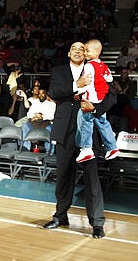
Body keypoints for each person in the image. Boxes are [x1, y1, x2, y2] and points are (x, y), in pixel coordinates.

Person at [43, 42, 116, 239]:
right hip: (65, 130)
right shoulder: (59, 71)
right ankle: (60, 216)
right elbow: (55, 93)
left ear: (86, 53)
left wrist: (95, 108)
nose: (77, 50)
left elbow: (112, 96)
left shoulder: (95, 67)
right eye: (73, 48)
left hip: (88, 131)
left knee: (92, 178)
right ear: (68, 53)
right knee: (64, 175)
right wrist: (78, 85)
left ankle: (97, 223)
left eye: (81, 48)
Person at [75, 39, 119, 163]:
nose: (85, 53)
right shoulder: (103, 65)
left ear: (97, 52)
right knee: (103, 123)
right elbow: (109, 78)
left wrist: (79, 92)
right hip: (100, 99)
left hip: (91, 99)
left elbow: (87, 82)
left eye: (88, 51)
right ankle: (112, 147)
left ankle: (86, 149)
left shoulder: (89, 66)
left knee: (86, 123)